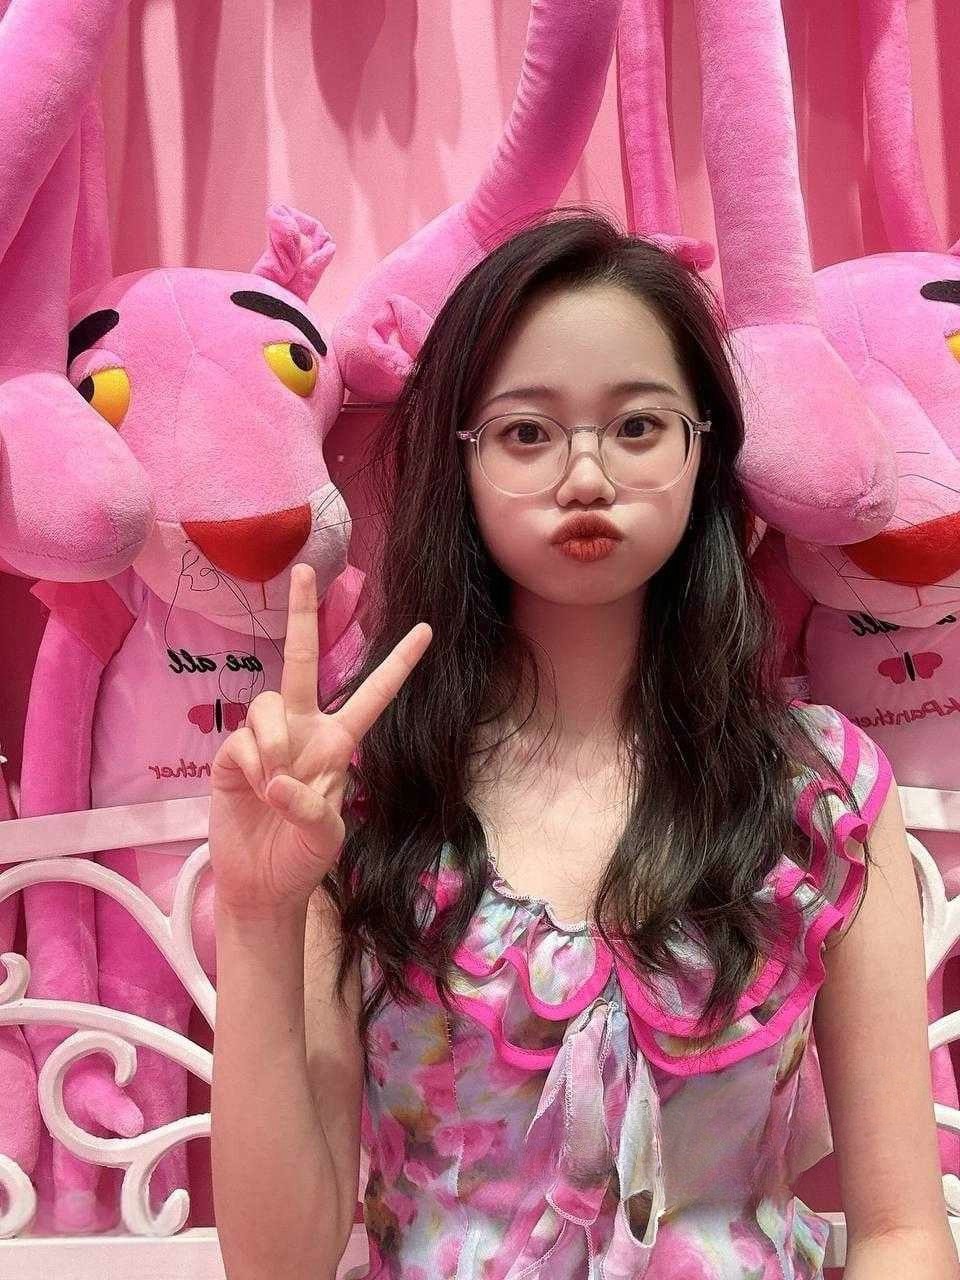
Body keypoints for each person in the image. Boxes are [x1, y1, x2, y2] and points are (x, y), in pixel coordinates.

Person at [208, 211, 957, 1279]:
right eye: (527, 432)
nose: (588, 475)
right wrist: (257, 914)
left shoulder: (815, 793)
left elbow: (900, 1231)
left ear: (705, 448)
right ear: (461, 462)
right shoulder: (358, 795)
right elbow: (275, 1264)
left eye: (639, 425)